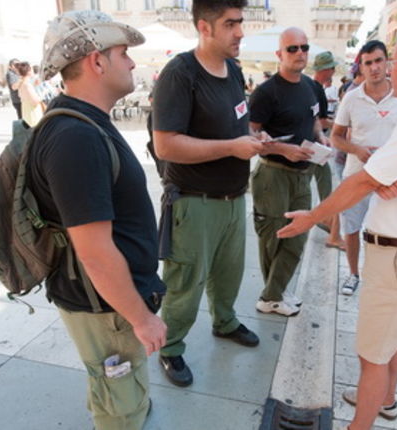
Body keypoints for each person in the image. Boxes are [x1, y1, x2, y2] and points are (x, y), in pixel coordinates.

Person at [278, 19, 397, 430]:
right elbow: (382, 174)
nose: (389, 69)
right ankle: (384, 396)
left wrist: (312, 216)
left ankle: (360, 421)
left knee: (372, 356)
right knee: (391, 340)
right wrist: (383, 175)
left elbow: (365, 179)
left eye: (396, 60)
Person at [31, 10, 167, 430]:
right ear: (96, 60)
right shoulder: (77, 137)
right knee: (121, 406)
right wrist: (142, 319)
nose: (131, 63)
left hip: (106, 303)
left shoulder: (81, 123)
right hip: (105, 307)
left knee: (113, 393)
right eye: (123, 53)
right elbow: (94, 252)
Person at [151, 0, 262, 388]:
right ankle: (171, 348)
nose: (240, 32)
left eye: (241, 22)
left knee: (229, 275)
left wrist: (249, 139)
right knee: (185, 284)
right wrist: (232, 148)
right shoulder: (180, 74)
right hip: (193, 202)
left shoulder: (233, 70)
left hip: (234, 199)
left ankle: (225, 322)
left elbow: (232, 123)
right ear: (205, 27)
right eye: (231, 24)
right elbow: (166, 145)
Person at [248, 27, 322, 317]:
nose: (300, 53)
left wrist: (321, 138)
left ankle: (275, 291)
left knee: (298, 234)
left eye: (304, 47)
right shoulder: (267, 92)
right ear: (279, 54)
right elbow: (251, 137)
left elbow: (314, 120)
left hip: (303, 174)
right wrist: (283, 150)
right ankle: (271, 296)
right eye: (292, 48)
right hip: (273, 175)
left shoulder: (312, 86)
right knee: (273, 238)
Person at [330, 39, 397, 296]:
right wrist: (358, 150)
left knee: (387, 232)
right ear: (361, 68)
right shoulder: (351, 99)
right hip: (356, 175)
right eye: (368, 63)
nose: (374, 68)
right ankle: (353, 274)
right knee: (351, 229)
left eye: (378, 61)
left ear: (387, 62)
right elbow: (336, 137)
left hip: (391, 179)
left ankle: (381, 279)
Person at [310, 50, 345, 250]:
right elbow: (321, 120)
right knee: (326, 189)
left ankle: (326, 222)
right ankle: (327, 224)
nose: (332, 72)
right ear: (326, 70)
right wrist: (340, 126)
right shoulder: (317, 89)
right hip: (316, 146)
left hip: (313, 144)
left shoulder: (311, 86)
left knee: (322, 186)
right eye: (331, 68)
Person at [16, 61, 45, 127]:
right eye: (31, 69)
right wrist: (43, 93)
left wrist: (35, 86)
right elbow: (35, 102)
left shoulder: (22, 83)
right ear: (29, 71)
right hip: (33, 114)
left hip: (27, 113)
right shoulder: (27, 85)